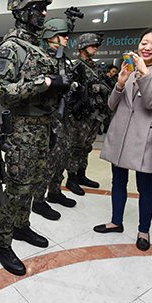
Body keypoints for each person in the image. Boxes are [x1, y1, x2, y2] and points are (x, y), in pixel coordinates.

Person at [0, 0, 70, 276]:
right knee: (15, 190)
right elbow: (1, 90)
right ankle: (1, 243)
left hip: (43, 127)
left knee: (32, 185)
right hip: (22, 130)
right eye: (38, 8)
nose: (44, 13)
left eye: (44, 8)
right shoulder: (10, 48)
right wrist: (46, 83)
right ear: (21, 11)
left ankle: (21, 227)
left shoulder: (35, 47)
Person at [94, 27, 152, 252]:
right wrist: (120, 83)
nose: (147, 47)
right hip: (120, 134)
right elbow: (111, 105)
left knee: (145, 187)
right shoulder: (129, 69)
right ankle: (116, 221)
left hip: (145, 137)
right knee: (118, 181)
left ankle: (143, 230)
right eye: (144, 42)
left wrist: (144, 74)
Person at [29, 17, 78, 220]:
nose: (67, 39)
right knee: (49, 160)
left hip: (65, 115)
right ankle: (38, 200)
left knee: (62, 156)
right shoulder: (43, 57)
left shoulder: (62, 57)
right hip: (50, 117)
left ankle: (55, 191)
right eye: (63, 35)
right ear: (51, 36)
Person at [63, 33, 110, 196]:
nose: (95, 49)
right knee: (76, 147)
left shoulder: (95, 67)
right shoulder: (76, 66)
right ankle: (72, 178)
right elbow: (69, 90)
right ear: (82, 47)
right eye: (92, 46)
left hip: (94, 114)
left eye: (96, 46)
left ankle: (81, 175)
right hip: (79, 116)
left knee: (86, 146)